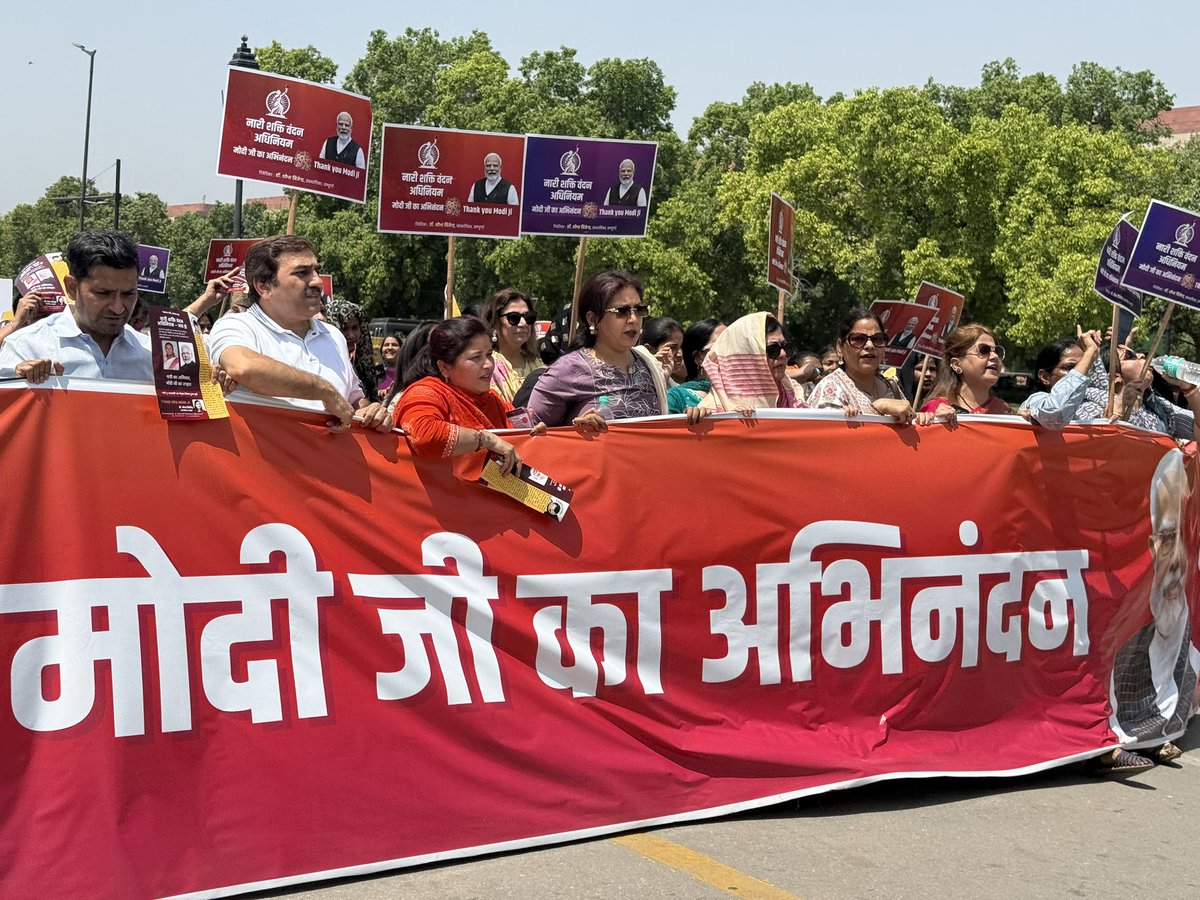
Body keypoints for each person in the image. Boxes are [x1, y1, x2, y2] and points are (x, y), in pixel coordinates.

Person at [206, 235, 390, 433]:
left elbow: (354, 401)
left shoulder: (334, 336)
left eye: (316, 271)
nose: (317, 282)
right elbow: (244, 368)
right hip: (264, 463)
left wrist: (372, 413)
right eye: (302, 273)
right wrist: (322, 390)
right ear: (264, 286)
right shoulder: (236, 326)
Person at [1099, 449, 1199, 772]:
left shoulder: (1188, 639)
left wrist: (1191, 395)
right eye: (1168, 538)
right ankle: (1112, 744)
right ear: (1150, 545)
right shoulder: (1126, 643)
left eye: (1182, 537)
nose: (1178, 558)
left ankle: (1153, 735)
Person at [0, 229, 153, 383]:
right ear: (72, 288)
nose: (118, 307)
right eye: (103, 293)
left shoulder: (152, 356)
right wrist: (22, 388)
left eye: (128, 294)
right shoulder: (25, 347)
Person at [394, 317, 541, 476]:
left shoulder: (494, 400)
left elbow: (517, 439)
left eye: (489, 354)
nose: (489, 364)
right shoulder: (425, 392)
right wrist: (487, 440)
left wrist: (534, 436)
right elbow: (425, 436)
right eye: (476, 357)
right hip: (446, 498)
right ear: (444, 367)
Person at [527, 270, 667, 428]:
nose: (633, 319)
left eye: (639, 310)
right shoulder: (568, 369)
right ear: (592, 319)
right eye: (621, 311)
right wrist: (577, 432)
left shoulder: (648, 365)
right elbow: (528, 431)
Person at [809, 308, 932, 425]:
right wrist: (877, 408)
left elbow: (908, 423)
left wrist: (922, 418)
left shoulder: (891, 387)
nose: (869, 345)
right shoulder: (831, 388)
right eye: (858, 339)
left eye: (877, 339)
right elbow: (828, 439)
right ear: (840, 348)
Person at [689, 312, 805, 419]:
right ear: (747, 358)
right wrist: (698, 422)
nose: (783, 354)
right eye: (773, 350)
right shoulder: (710, 413)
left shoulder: (795, 396)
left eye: (786, 347)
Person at [1019, 327, 1104, 428]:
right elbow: (1056, 412)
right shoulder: (1035, 402)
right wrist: (1090, 353)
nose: (1081, 372)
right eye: (1070, 368)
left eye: (1084, 366)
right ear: (1045, 377)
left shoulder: (1092, 404)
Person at [919, 324, 1012, 416]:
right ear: (956, 364)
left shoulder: (1003, 411)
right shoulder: (936, 409)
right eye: (984, 350)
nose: (995, 356)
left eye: (997, 351)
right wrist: (938, 422)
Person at [482, 289, 543, 403]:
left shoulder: (538, 364)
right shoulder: (486, 366)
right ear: (494, 323)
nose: (524, 323)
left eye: (529, 317)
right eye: (514, 317)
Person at [324, 297, 379, 403]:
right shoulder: (326, 365)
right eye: (344, 329)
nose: (351, 335)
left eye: (355, 328)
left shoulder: (364, 365)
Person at [666, 318, 726, 413]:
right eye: (722, 346)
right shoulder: (675, 397)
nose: (730, 353)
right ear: (699, 357)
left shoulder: (740, 396)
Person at [640, 316, 686, 384]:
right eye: (672, 347)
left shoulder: (676, 387)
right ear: (649, 349)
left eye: (682, 347)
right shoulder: (638, 384)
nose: (680, 354)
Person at [376, 334, 401, 401]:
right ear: (382, 352)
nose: (390, 348)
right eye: (386, 345)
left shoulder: (406, 373)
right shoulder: (375, 372)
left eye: (394, 345)